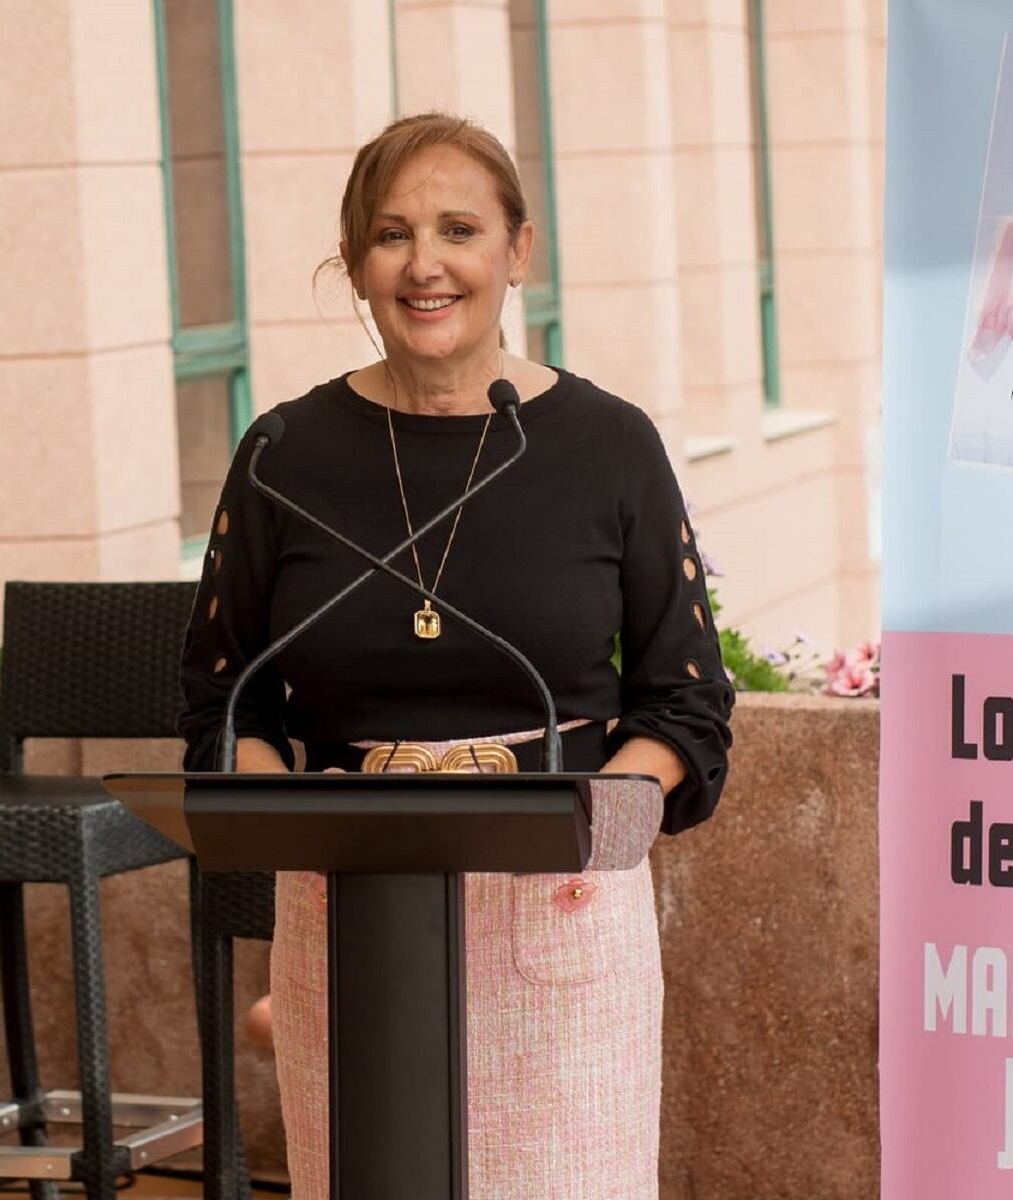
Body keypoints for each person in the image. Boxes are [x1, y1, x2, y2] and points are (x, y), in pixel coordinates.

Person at [177, 112, 733, 1199]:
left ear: (517, 251)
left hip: (563, 908)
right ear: (353, 263)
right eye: (391, 235)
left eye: (459, 229)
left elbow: (689, 698)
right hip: (351, 908)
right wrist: (285, 825)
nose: (424, 264)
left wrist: (601, 828)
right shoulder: (283, 452)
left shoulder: (608, 443)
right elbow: (219, 691)